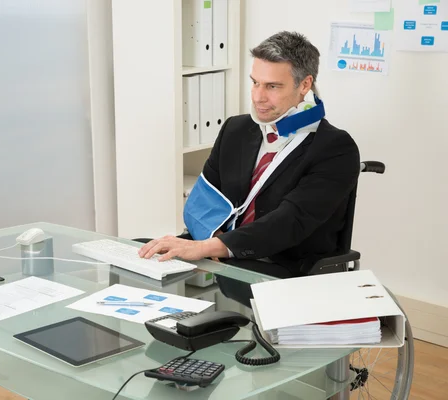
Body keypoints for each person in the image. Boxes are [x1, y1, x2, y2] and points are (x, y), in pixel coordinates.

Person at [138, 31, 360, 277]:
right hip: (218, 251)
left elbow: (288, 223)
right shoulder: (237, 129)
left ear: (305, 85)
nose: (258, 97)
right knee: (140, 250)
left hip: (278, 266)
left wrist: (212, 247)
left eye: (272, 86)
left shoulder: (335, 149)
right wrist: (211, 242)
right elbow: (201, 202)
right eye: (255, 82)